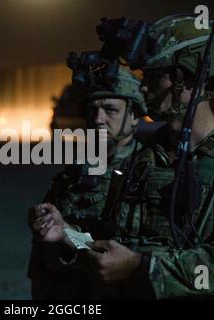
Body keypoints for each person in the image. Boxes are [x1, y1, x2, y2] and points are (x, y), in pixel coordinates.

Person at [31, 15, 214, 299]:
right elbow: (113, 246)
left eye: (153, 75)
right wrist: (67, 234)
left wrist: (142, 267)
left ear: (188, 79)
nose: (144, 87)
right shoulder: (144, 157)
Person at [28, 62, 147, 299]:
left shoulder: (149, 175)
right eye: (93, 110)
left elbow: (125, 258)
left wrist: (66, 233)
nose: (99, 119)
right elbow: (43, 260)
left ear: (134, 116)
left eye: (110, 110)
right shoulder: (74, 173)